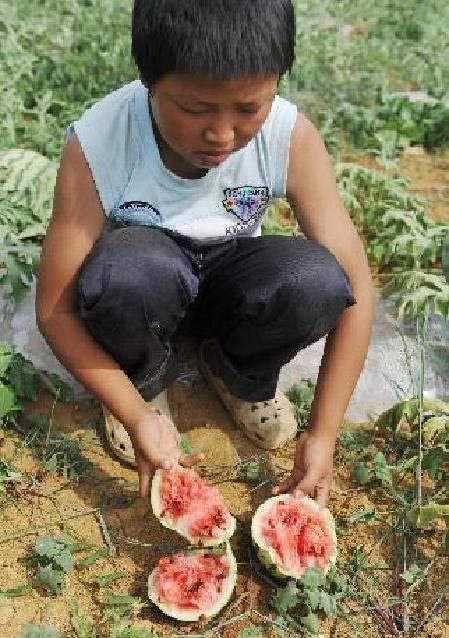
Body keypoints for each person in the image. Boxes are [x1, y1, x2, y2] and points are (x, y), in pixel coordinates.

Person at [36, 0, 375, 506]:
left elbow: (358, 290)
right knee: (126, 272)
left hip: (229, 281)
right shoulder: (101, 139)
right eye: (194, 109)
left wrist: (324, 433)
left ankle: (239, 371)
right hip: (144, 289)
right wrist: (135, 416)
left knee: (317, 280)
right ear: (149, 81)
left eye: (248, 108)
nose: (221, 134)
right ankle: (143, 379)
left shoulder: (289, 136)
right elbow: (54, 308)